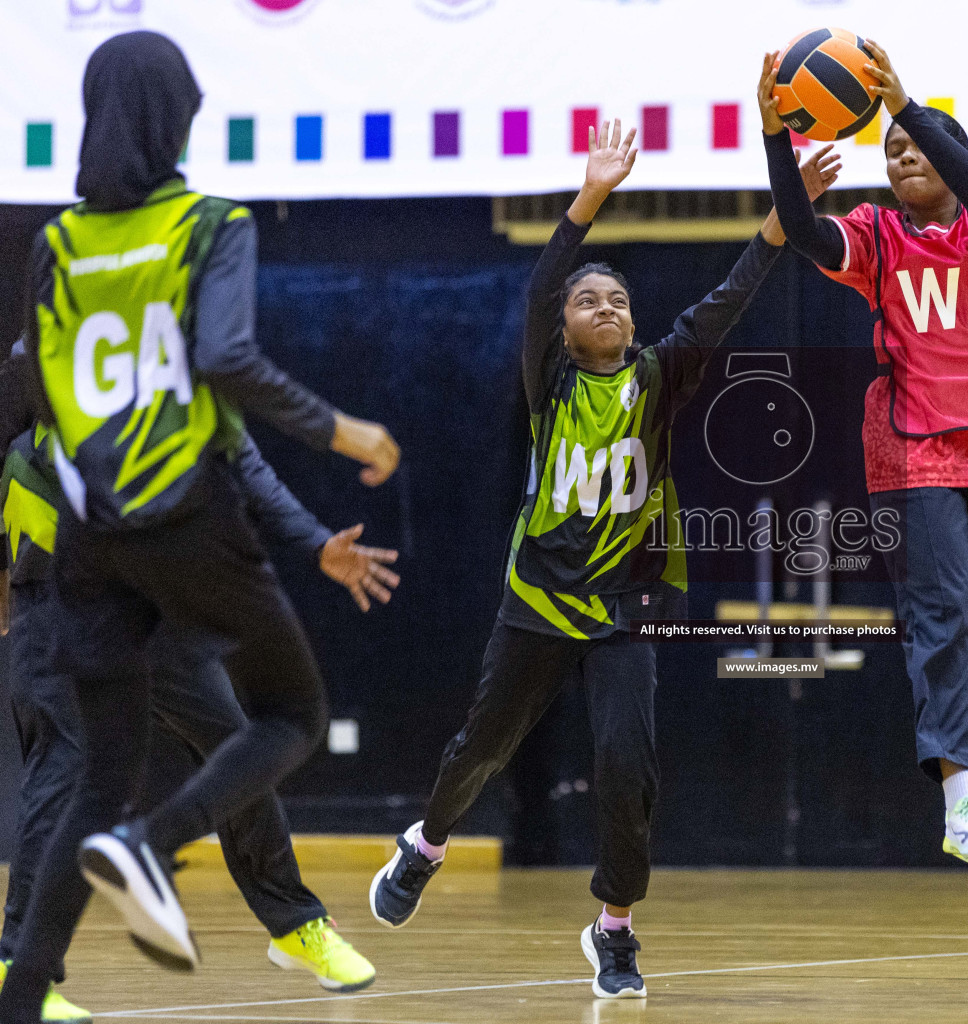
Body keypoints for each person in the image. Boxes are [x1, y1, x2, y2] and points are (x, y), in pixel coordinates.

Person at [367, 118, 839, 999]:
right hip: (540, 600)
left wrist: (788, 210)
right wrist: (591, 197)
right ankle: (423, 847)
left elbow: (731, 293)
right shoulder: (549, 379)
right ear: (569, 329)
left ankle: (613, 929)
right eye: (592, 304)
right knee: (482, 749)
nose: (606, 310)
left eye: (616, 300)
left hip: (625, 608)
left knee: (630, 768)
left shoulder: (661, 376)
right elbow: (545, 286)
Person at [0, 30, 399, 1022]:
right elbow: (210, 409)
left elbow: (58, 415)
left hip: (104, 560)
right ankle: (28, 963)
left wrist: (307, 537)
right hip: (127, 553)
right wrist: (340, 442)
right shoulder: (201, 231)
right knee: (150, 748)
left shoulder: (57, 248)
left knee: (197, 746)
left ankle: (286, 919)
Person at [757, 42, 968, 892]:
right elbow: (800, 226)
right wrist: (778, 138)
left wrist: (905, 106)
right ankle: (959, 791)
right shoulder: (875, 237)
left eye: (919, 143)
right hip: (913, 449)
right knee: (945, 613)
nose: (904, 153)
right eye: (892, 149)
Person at [0, 426, 396, 1021]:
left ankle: (295, 923)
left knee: (238, 748)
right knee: (62, 775)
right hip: (54, 614)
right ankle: (16, 965)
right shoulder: (39, 401)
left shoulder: (179, 391)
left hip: (151, 614)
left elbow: (249, 467)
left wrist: (314, 542)